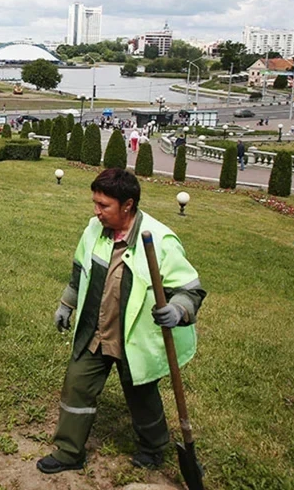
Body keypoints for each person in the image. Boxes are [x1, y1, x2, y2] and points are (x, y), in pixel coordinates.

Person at [37, 168, 206, 474]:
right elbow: (80, 272)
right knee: (76, 386)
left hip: (135, 340)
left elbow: (189, 290)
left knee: (142, 397)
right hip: (96, 330)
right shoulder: (93, 229)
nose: (96, 211)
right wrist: (66, 303)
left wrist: (179, 310)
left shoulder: (161, 240)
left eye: (104, 206)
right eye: (95, 203)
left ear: (127, 205)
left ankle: (154, 448)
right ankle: (69, 452)